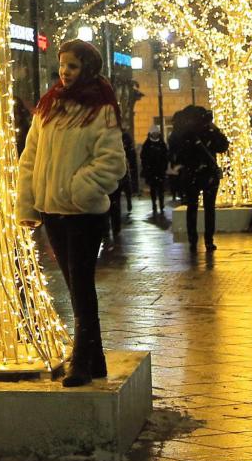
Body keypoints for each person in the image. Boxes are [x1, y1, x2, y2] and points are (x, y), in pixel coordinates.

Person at [16, 39, 129, 386]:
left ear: (88, 69)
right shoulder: (49, 106)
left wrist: (78, 189)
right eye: (63, 65)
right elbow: (30, 156)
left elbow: (113, 162)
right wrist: (29, 203)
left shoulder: (100, 109)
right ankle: (94, 360)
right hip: (52, 210)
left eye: (73, 66)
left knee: (81, 285)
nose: (65, 72)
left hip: (82, 212)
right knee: (73, 283)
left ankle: (80, 360)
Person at [170, 105, 230, 251]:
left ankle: (195, 240)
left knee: (194, 207)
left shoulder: (186, 131)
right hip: (203, 173)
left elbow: (222, 146)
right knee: (207, 208)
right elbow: (222, 146)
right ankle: (207, 240)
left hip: (194, 173)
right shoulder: (201, 131)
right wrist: (213, 129)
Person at [140, 125, 171, 219]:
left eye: (156, 133)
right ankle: (154, 204)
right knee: (153, 189)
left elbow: (166, 156)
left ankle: (161, 204)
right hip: (151, 171)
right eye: (153, 133)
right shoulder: (147, 144)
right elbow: (143, 157)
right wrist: (147, 167)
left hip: (160, 170)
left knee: (161, 189)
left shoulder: (162, 144)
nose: (155, 135)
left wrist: (164, 166)